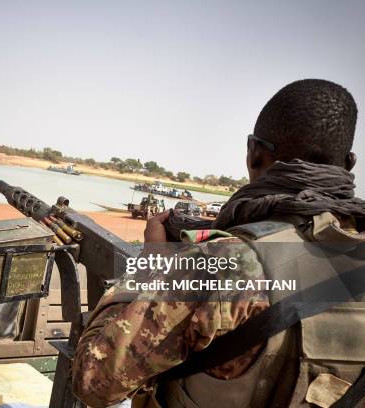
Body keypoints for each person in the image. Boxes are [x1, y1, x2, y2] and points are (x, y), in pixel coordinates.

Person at [72, 79, 365, 407]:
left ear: (255, 154)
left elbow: (94, 381)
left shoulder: (227, 263)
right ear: (349, 164)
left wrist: (151, 263)